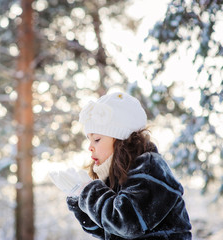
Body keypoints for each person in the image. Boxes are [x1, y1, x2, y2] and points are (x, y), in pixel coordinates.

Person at [49, 92, 192, 240]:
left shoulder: (149, 169)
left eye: (97, 139)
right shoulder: (118, 176)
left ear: (120, 139)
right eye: (89, 140)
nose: (90, 147)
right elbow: (106, 230)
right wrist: (79, 199)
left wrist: (88, 192)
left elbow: (127, 222)